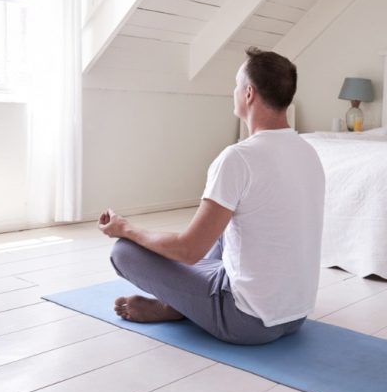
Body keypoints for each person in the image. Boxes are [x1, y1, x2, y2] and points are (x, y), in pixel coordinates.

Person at [98, 47, 325, 345]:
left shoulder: (238, 158)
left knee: (123, 252)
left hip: (247, 321)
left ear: (248, 93)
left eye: (235, 85)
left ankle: (178, 306)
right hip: (295, 316)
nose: (233, 92)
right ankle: (183, 303)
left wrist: (125, 228)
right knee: (227, 224)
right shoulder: (309, 151)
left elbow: (189, 250)